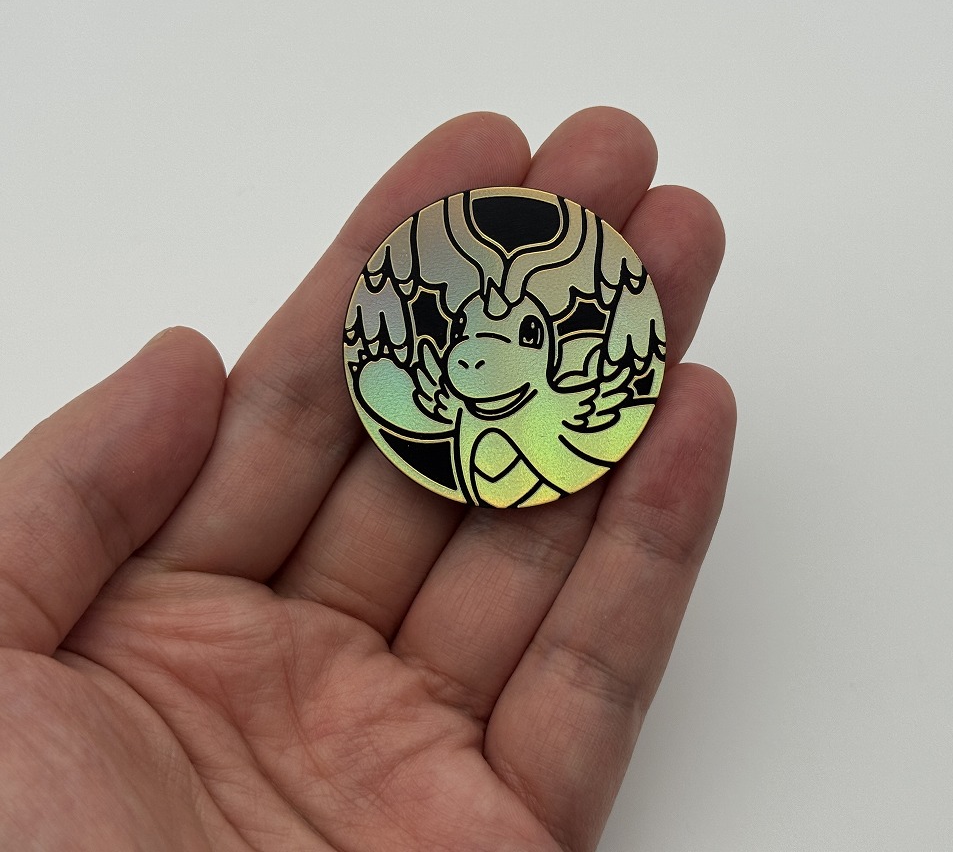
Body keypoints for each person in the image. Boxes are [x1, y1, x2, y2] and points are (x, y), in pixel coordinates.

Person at [0, 108, 735, 851]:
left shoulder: (580, 397)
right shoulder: (417, 384)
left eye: (519, 331)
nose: (477, 352)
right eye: (467, 328)